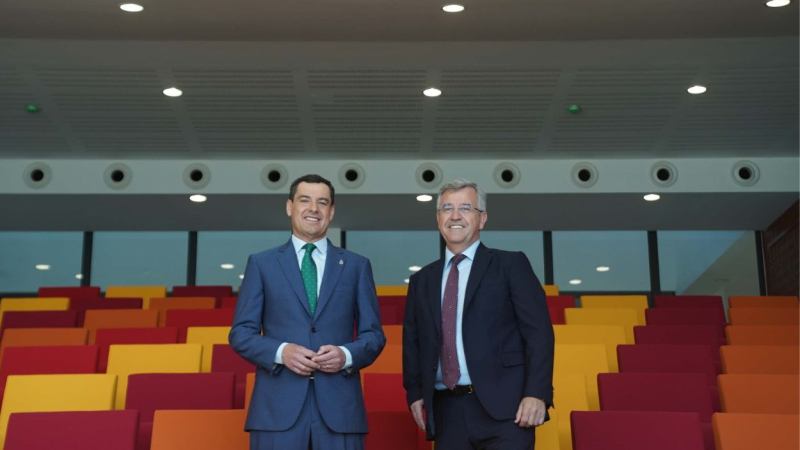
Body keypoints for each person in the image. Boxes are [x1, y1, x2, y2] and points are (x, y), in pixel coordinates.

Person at [229, 174, 386, 450]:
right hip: (276, 411)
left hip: (340, 411)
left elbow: (373, 335)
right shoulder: (261, 264)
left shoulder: (357, 266)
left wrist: (346, 355)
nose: (314, 209)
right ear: (289, 207)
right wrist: (282, 352)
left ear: (331, 212)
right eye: (305, 200)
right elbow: (241, 333)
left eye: (322, 202)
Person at [402, 178, 555, 450]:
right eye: (447, 208)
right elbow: (413, 342)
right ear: (438, 219)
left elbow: (539, 334)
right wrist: (414, 392)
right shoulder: (421, 280)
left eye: (465, 208)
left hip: (507, 412)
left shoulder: (511, 264)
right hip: (447, 412)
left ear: (482, 218)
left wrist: (537, 393)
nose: (455, 216)